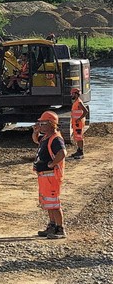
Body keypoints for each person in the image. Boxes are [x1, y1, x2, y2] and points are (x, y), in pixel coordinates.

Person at [31, 110, 67, 239]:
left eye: (42, 123)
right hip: (44, 176)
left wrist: (52, 164)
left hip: (51, 176)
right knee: (49, 203)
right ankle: (52, 226)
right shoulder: (46, 137)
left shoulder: (55, 138)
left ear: (51, 124)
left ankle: (60, 229)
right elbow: (37, 141)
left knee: (54, 204)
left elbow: (62, 153)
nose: (40, 125)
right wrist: (36, 132)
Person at [70, 87, 89, 159]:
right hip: (76, 122)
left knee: (79, 136)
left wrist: (79, 119)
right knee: (77, 137)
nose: (71, 95)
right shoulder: (76, 101)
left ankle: (81, 152)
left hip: (78, 123)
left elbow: (85, 111)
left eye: (72, 94)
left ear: (76, 94)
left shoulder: (79, 102)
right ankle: (79, 150)